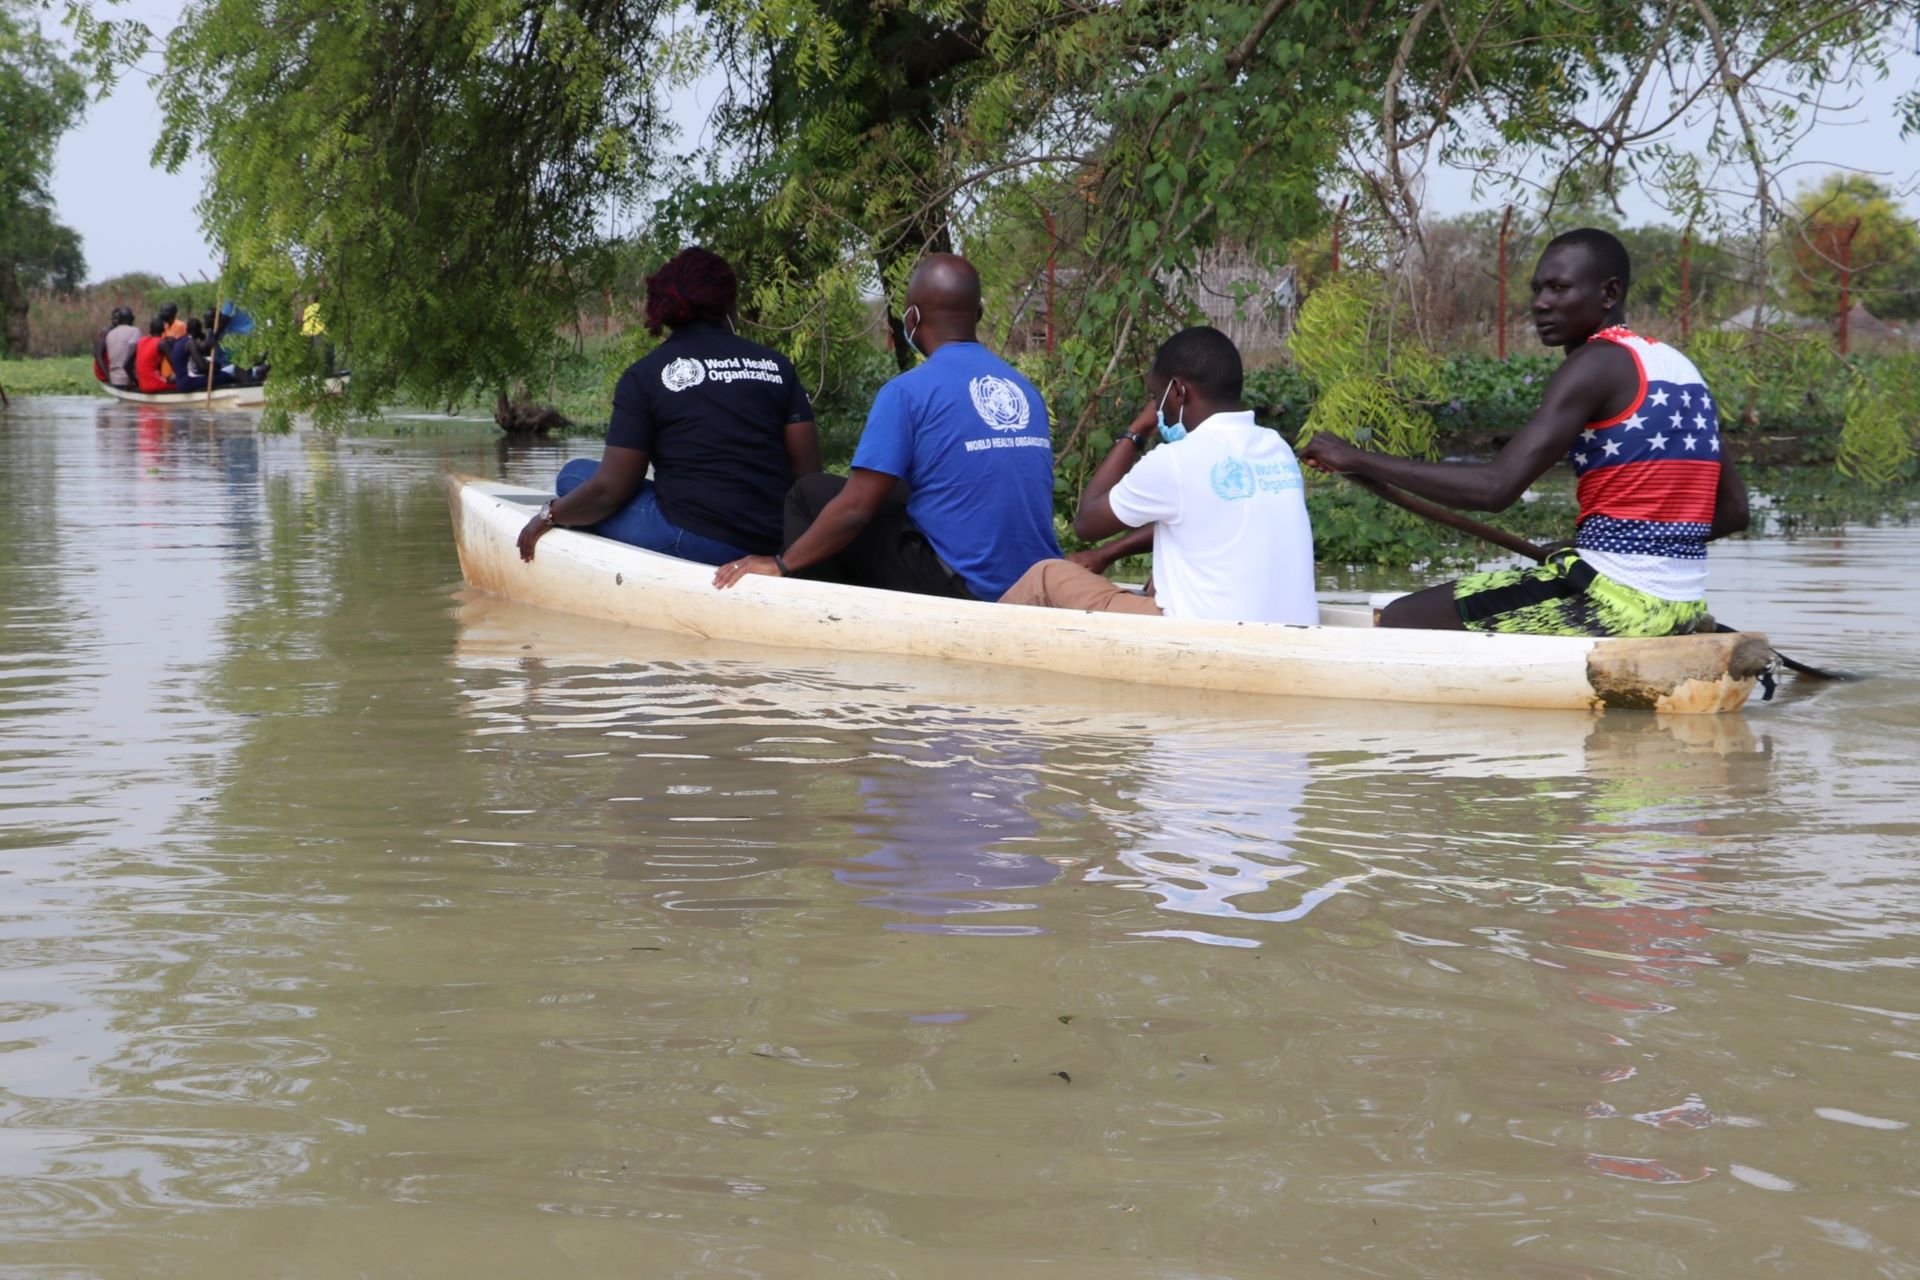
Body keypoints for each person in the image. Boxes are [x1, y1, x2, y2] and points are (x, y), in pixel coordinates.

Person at [1299, 227, 1749, 637]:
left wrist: (1355, 457)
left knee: (1404, 617)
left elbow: (1495, 489)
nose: (1540, 303)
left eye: (1559, 288)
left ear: (1609, 292)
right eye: (1537, 289)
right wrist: (1590, 547)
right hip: (1682, 608)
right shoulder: (1680, 369)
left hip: (1614, 603)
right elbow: (1733, 512)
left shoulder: (1593, 363)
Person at [712, 253, 1061, 599]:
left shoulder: (908, 391)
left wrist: (782, 563)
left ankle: (828, 618)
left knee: (810, 495)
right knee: (897, 490)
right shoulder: (1023, 389)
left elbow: (855, 509)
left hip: (966, 588)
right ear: (978, 314)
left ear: (912, 318)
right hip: (1032, 579)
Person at [516, 247, 820, 567]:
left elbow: (610, 491)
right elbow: (808, 475)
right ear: (730, 303)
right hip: (774, 540)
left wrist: (548, 515)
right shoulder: (776, 366)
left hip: (699, 543)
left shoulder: (645, 375)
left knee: (573, 476)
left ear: (664, 306)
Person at [1000, 326, 1318, 623]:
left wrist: (1136, 431)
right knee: (1161, 576)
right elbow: (1203, 519)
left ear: (1177, 390)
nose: (1157, 407)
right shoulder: (1276, 449)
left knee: (1045, 576)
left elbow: (1088, 522)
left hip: (1200, 636)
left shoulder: (1177, 460)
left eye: (1156, 396)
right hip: (1285, 630)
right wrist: (1108, 554)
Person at [102, 308, 142, 389]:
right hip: (128, 380)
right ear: (132, 318)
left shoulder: (110, 333)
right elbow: (133, 354)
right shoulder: (134, 331)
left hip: (114, 379)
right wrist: (132, 379)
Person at [133, 318, 173, 393]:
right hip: (153, 385)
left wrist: (137, 382)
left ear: (150, 329)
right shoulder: (162, 343)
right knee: (178, 383)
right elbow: (175, 366)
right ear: (164, 330)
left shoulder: (141, 341)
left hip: (142, 385)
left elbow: (126, 365)